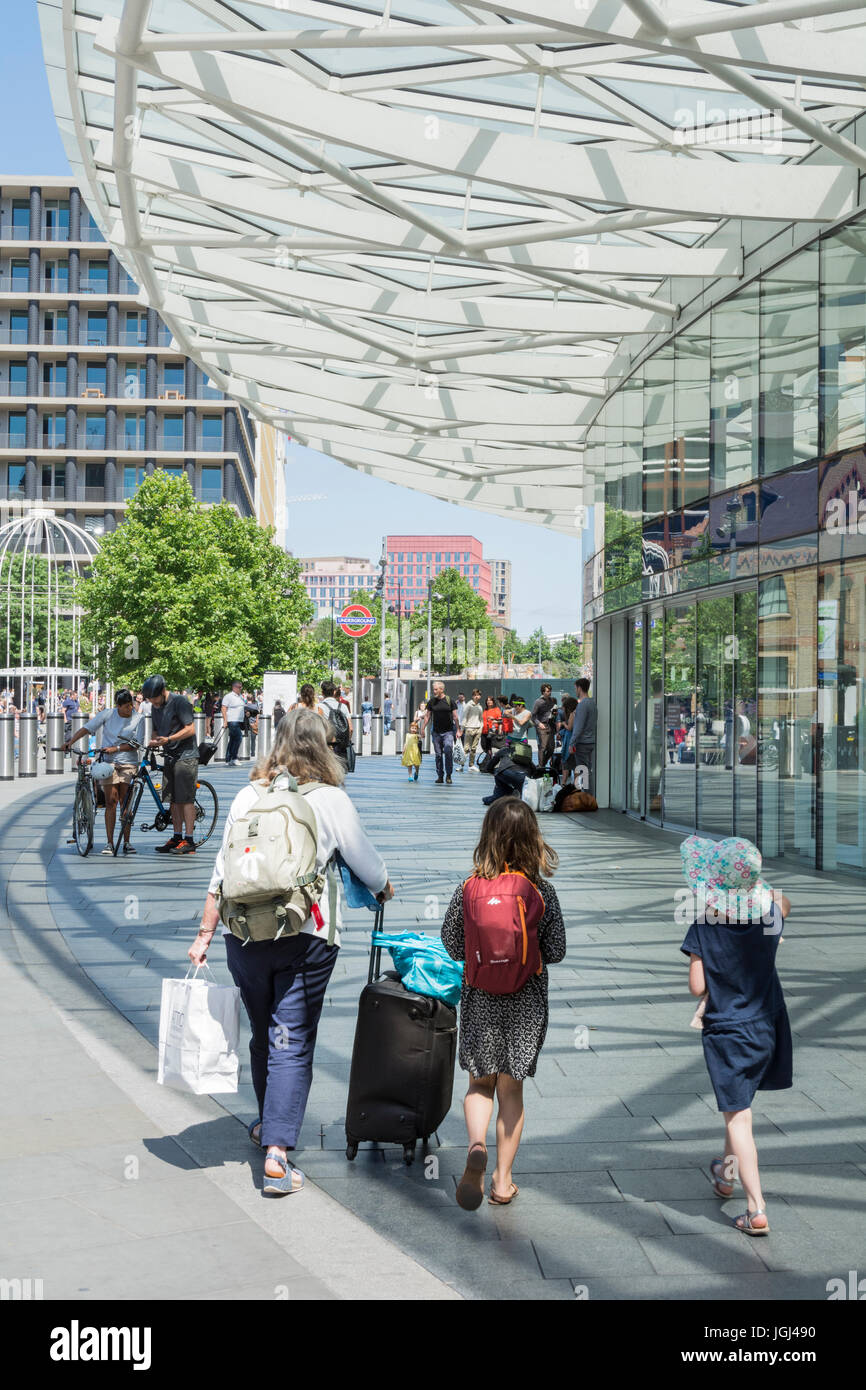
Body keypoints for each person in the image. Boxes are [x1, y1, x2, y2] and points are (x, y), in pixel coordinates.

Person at [188, 708, 393, 1196]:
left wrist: (203, 934)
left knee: (266, 1033)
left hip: (243, 936)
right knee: (292, 1036)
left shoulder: (247, 794)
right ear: (324, 746)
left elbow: (221, 872)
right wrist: (384, 887)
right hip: (306, 932)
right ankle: (278, 1153)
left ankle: (267, 1125)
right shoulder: (330, 799)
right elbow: (366, 862)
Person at [441, 798, 566, 1209]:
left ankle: (476, 1145)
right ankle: (502, 1181)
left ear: (488, 837)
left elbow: (452, 943)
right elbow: (558, 949)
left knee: (480, 1083)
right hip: (526, 1001)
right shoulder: (541, 891)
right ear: (532, 838)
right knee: (511, 1091)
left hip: (480, 999)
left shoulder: (469, 888)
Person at [680, 835, 792, 1237]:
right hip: (767, 1025)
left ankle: (756, 1207)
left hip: (728, 1030)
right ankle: (725, 1175)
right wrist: (762, 895)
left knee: (739, 1118)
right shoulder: (769, 920)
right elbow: (783, 903)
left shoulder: (704, 927)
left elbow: (697, 987)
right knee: (738, 1107)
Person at [64, 689, 143, 855]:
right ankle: (109, 842)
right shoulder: (108, 714)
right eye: (126, 707)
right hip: (109, 763)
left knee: (125, 804)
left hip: (128, 763)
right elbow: (87, 728)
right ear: (118, 706)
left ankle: (127, 842)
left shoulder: (138, 718)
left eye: (131, 705)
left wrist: (117, 748)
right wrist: (70, 742)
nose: (130, 709)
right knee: (110, 802)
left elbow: (137, 743)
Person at [142, 674, 200, 855]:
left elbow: (190, 729)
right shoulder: (155, 706)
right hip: (169, 755)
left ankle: (189, 840)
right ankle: (176, 836)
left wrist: (168, 739)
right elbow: (156, 729)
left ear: (162, 692)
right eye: (149, 699)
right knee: (172, 800)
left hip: (186, 756)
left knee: (185, 800)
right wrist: (154, 740)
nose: (153, 702)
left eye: (154, 698)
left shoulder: (179, 702)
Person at [423, 680, 459, 785]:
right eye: (433, 689)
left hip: (448, 732)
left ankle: (448, 775)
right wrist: (422, 728)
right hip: (436, 732)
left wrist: (459, 730)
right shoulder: (432, 702)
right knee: (438, 755)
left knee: (448, 751)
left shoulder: (450, 701)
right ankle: (440, 776)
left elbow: (455, 717)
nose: (434, 691)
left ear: (441, 689)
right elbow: (427, 716)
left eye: (435, 689)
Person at [568, 677, 597, 793]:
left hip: (582, 743)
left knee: (583, 770)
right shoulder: (592, 703)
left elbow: (578, 726)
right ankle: (589, 794)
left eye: (575, 688)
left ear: (579, 688)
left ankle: (588, 796)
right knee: (587, 770)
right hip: (591, 741)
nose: (575, 691)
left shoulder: (583, 705)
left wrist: (572, 743)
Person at [321, 680, 352, 770]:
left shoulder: (320, 707)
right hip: (340, 746)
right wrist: (347, 742)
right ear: (334, 692)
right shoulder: (343, 707)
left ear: (322, 693)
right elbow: (350, 728)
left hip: (326, 745)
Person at [531, 684, 557, 769]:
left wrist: (555, 713)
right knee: (543, 746)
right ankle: (541, 767)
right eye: (547, 691)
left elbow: (554, 712)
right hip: (542, 725)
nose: (549, 693)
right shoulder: (538, 702)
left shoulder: (552, 700)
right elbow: (533, 716)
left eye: (550, 691)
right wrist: (539, 723)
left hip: (551, 725)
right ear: (543, 692)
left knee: (551, 748)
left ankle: (542, 764)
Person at [222, 679, 246, 767]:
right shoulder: (228, 696)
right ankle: (234, 758)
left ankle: (228, 758)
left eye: (241, 687)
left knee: (232, 739)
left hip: (239, 720)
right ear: (234, 687)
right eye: (239, 687)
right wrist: (225, 721)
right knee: (238, 737)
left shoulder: (240, 697)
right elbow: (224, 708)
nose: (240, 689)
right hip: (232, 720)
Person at [461, 688, 484, 771]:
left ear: (480, 696)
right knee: (466, 749)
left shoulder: (480, 707)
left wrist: (481, 728)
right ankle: (461, 765)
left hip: (478, 729)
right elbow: (464, 717)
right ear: (472, 696)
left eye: (478, 695)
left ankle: (471, 765)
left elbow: (481, 719)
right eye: (474, 695)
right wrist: (462, 729)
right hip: (469, 729)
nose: (476, 697)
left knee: (474, 749)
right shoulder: (468, 705)